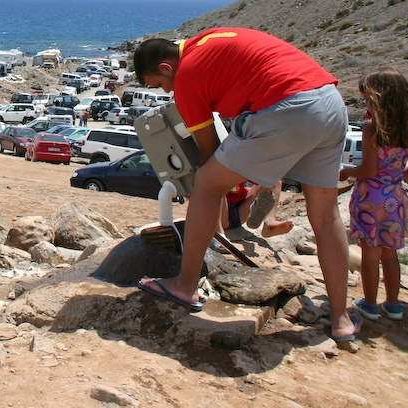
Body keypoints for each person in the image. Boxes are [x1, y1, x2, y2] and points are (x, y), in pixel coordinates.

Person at [132, 28, 358, 342]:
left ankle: (184, 286)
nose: (168, 92)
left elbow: (209, 152)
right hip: (329, 103)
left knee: (205, 185)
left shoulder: (186, 77)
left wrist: (204, 180)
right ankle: (341, 319)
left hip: (288, 108)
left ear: (166, 68)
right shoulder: (208, 39)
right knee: (326, 216)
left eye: (161, 85)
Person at [338, 68, 408, 322]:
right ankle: (394, 305)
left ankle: (370, 304)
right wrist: (394, 176)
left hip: (369, 198)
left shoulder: (372, 131)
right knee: (390, 253)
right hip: (394, 199)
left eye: (368, 100)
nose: (366, 106)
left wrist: (347, 173)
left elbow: (368, 169)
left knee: (370, 253)